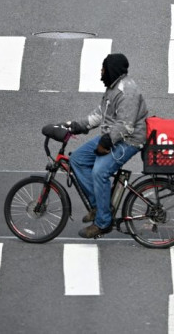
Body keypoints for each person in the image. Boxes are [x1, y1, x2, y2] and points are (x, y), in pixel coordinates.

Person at [66, 53, 148, 239]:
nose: (101, 73)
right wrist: (74, 126)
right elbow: (99, 115)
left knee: (99, 172)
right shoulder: (112, 88)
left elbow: (125, 126)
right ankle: (99, 206)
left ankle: (103, 222)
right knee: (77, 159)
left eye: (103, 69)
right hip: (111, 136)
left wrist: (105, 142)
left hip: (128, 140)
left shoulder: (127, 91)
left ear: (111, 70)